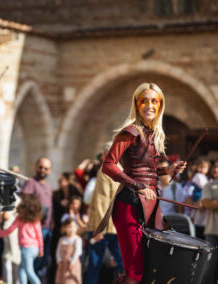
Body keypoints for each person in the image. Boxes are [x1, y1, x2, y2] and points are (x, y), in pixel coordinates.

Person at [95, 83, 186, 283]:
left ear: (160, 105)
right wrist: (139, 187)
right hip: (129, 205)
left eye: (154, 101)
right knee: (134, 273)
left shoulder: (152, 134)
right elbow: (108, 165)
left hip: (150, 208)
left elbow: (147, 172)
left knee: (147, 271)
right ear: (136, 104)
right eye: (144, 100)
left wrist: (167, 170)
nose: (149, 105)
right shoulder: (130, 131)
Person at [86, 142, 125, 284]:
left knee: (94, 267)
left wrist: (99, 230)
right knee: (122, 265)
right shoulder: (120, 169)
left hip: (103, 226)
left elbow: (102, 201)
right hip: (116, 225)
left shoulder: (105, 169)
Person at [0, 194, 44, 284]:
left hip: (26, 248)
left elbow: (10, 229)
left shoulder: (20, 217)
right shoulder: (36, 219)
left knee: (29, 271)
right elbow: (39, 236)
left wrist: (0, 234)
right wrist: (41, 249)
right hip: (35, 248)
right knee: (21, 269)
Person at [21, 157, 53, 279]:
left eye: (46, 168)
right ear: (35, 167)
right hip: (35, 229)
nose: (42, 170)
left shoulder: (48, 185)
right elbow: (25, 202)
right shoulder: (31, 182)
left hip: (47, 228)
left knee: (43, 261)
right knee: (34, 262)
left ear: (50, 171)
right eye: (40, 167)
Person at [55, 219, 82, 284]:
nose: (72, 229)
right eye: (69, 227)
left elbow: (78, 252)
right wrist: (59, 260)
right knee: (62, 280)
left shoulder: (77, 239)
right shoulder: (62, 239)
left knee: (70, 281)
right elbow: (58, 251)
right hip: (63, 264)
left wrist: (72, 262)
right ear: (64, 228)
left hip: (72, 264)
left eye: (74, 226)